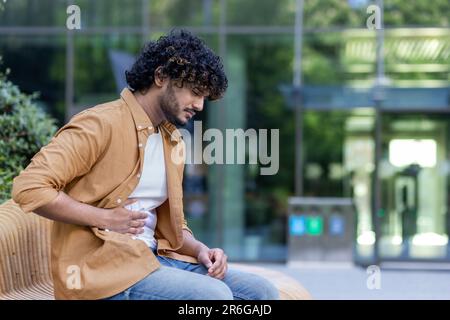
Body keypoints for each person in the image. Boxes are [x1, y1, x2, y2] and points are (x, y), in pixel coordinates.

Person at [12, 29, 279, 300]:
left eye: (204, 97)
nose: (199, 105)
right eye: (195, 92)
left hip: (155, 259)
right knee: (213, 297)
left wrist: (199, 249)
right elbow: (29, 187)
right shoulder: (99, 124)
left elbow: (166, 223)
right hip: (102, 273)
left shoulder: (171, 139)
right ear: (161, 76)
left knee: (261, 292)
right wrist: (104, 217)